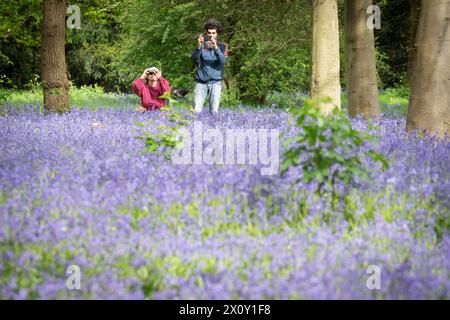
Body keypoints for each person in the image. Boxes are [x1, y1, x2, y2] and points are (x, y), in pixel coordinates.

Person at [191, 19, 228, 115]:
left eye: (213, 33)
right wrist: (198, 47)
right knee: (196, 111)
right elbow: (194, 60)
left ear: (217, 34)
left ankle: (213, 129)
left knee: (214, 112)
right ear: (206, 33)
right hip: (201, 82)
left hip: (216, 83)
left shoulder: (223, 46)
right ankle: (195, 129)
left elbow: (223, 61)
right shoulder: (201, 45)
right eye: (209, 33)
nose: (211, 35)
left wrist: (216, 47)